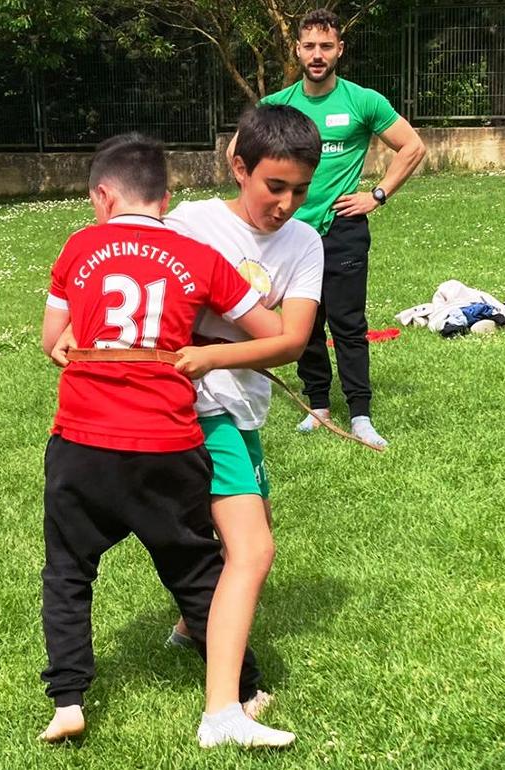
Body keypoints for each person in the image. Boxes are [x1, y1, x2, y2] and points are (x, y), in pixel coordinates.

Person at [38, 133, 297, 748]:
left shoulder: (78, 247)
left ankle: (68, 700)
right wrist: (206, 348)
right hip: (168, 440)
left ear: (102, 197)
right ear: (166, 197)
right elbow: (273, 332)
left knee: (68, 570)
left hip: (83, 440)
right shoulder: (198, 255)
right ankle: (243, 690)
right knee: (196, 569)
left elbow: (53, 343)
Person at [161, 104, 323, 726]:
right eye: (274, 186)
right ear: (239, 167)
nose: (286, 204)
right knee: (253, 549)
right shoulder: (190, 224)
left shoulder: (305, 242)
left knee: (248, 534)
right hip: (197, 408)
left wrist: (213, 353)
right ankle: (226, 706)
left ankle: (190, 624)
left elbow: (292, 340)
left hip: (244, 406)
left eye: (299, 191)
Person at [248, 7, 427, 448]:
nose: (317, 54)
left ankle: (361, 414)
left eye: (326, 46)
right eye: (309, 46)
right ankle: (319, 407)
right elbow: (241, 155)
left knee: (348, 324)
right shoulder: (276, 106)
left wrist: (377, 195)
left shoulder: (363, 101)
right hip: (290, 234)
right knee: (305, 325)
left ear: (339, 50)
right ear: (297, 50)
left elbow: (412, 146)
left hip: (343, 230)